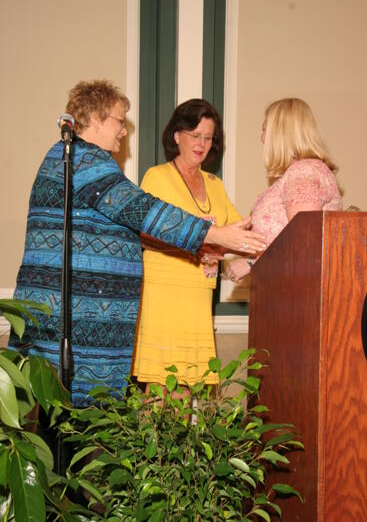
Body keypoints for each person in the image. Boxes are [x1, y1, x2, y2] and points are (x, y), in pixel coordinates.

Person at [9, 80, 265, 406]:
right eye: (119, 121)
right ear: (97, 119)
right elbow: (143, 211)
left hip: (73, 322)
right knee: (73, 433)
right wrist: (213, 235)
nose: (124, 131)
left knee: (67, 429)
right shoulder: (84, 162)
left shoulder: (74, 158)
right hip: (70, 323)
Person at [132, 99, 265, 391]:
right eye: (195, 135)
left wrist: (271, 219)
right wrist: (199, 246)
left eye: (208, 137)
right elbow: (143, 233)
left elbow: (239, 230)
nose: (201, 144)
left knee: (189, 393)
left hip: (198, 300)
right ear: (177, 136)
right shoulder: (157, 176)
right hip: (164, 296)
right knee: (162, 394)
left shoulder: (214, 183)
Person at [223, 97, 342, 283]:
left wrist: (250, 264)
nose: (262, 138)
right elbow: (279, 238)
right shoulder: (298, 172)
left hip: (298, 292)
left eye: (264, 130)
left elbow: (305, 241)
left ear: (279, 133)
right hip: (284, 289)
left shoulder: (304, 172)